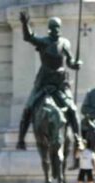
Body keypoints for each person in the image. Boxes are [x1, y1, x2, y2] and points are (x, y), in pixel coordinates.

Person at [16, 11, 83, 152]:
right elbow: (28, 37)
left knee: (72, 109)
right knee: (28, 108)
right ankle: (21, 140)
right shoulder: (43, 42)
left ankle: (78, 138)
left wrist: (75, 64)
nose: (55, 30)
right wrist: (25, 24)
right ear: (49, 29)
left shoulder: (65, 43)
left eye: (57, 27)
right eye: (53, 27)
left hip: (60, 83)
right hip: (44, 82)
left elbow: (69, 61)